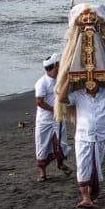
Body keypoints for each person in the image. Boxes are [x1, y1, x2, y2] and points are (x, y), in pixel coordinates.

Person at [57, 69, 105, 208]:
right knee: (83, 167)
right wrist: (68, 80)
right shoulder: (78, 95)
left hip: (101, 136)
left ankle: (91, 196)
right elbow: (61, 99)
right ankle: (85, 198)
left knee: (96, 166)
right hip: (83, 136)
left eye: (96, 79)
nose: (92, 82)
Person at [34, 53, 72, 182]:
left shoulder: (60, 80)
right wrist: (54, 110)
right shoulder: (42, 82)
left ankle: (61, 164)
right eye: (59, 64)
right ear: (55, 65)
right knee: (42, 145)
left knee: (60, 143)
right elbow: (39, 101)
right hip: (44, 119)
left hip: (58, 118)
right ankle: (42, 172)